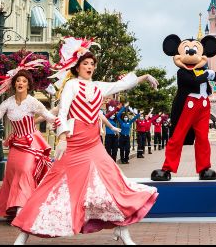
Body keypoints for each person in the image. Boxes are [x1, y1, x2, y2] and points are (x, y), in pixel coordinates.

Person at [11, 38, 159, 245]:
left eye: (92, 64)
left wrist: (145, 76)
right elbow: (62, 113)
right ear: (77, 67)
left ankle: (122, 230)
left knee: (113, 184)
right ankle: (23, 232)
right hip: (73, 143)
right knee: (51, 187)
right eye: (85, 64)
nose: (89, 67)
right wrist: (62, 138)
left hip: (94, 143)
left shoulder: (99, 86)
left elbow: (122, 84)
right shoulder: (71, 85)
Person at [0, 69, 58, 219]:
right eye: (18, 80)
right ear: (14, 83)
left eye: (24, 81)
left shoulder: (33, 102)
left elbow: (47, 115)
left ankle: (22, 206)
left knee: (25, 171)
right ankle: (13, 206)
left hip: (31, 143)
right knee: (12, 173)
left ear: (28, 85)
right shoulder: (8, 103)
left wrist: (59, 123)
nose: (21, 83)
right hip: (16, 144)